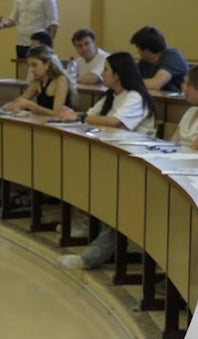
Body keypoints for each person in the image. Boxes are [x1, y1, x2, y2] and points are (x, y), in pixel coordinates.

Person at [59, 53, 158, 271]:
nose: (102, 73)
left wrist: (79, 116)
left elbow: (113, 122)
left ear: (118, 74)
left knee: (119, 208)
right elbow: (89, 115)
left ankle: (90, 257)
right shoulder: (111, 96)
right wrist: (78, 115)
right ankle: (83, 225)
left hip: (137, 165)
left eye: (106, 70)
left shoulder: (135, 97)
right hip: (113, 161)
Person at [2, 44, 75, 116]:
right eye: (30, 66)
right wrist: (0, 109)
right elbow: (20, 100)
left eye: (34, 65)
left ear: (47, 65)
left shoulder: (61, 80)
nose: (31, 70)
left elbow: (56, 113)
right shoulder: (37, 81)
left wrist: (31, 106)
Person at [131, 25, 189, 92]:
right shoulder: (144, 62)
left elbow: (155, 84)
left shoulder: (172, 56)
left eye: (138, 48)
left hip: (178, 101)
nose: (138, 52)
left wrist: (131, 82)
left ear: (146, 50)